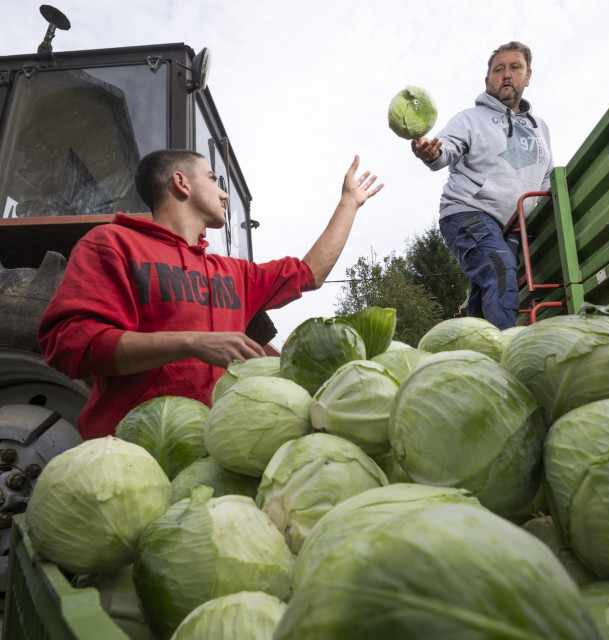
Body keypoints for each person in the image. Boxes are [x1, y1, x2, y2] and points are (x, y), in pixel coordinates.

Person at [38, 149, 383, 439]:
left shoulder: (232, 272)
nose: (224, 194)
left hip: (213, 450)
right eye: (213, 179)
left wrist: (348, 205)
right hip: (131, 449)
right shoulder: (111, 244)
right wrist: (191, 342)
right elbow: (70, 344)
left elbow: (310, 273)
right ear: (181, 182)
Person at [411, 41, 553, 329]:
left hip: (513, 227)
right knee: (500, 269)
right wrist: (433, 152)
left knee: (483, 301)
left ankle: (474, 359)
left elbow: (547, 178)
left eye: (515, 67)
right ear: (487, 80)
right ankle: (505, 360)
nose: (506, 74)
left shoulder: (541, 128)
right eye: (498, 69)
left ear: (527, 77)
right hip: (468, 212)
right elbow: (445, 150)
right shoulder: (469, 119)